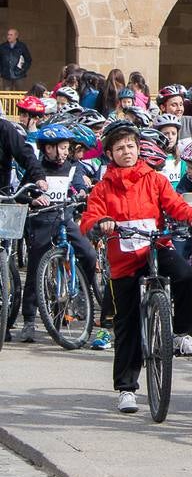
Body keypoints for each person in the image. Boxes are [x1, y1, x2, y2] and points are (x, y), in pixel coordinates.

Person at [81, 119, 192, 412]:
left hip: (156, 250)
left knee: (186, 277)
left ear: (139, 149)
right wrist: (100, 223)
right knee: (127, 323)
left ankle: (180, 334)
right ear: (109, 153)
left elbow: (175, 204)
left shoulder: (155, 179)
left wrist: (191, 216)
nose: (127, 152)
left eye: (131, 146)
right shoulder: (102, 187)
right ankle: (126, 388)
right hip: (124, 262)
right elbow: (89, 219)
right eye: (120, 148)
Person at [16, 124, 102, 347]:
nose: (65, 152)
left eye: (66, 148)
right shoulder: (36, 169)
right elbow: (23, 193)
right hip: (42, 221)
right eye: (61, 148)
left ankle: (83, 295)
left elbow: (77, 187)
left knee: (89, 254)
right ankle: (28, 320)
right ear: (48, 149)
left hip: (64, 219)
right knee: (36, 266)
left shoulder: (74, 167)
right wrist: (33, 199)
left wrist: (82, 192)